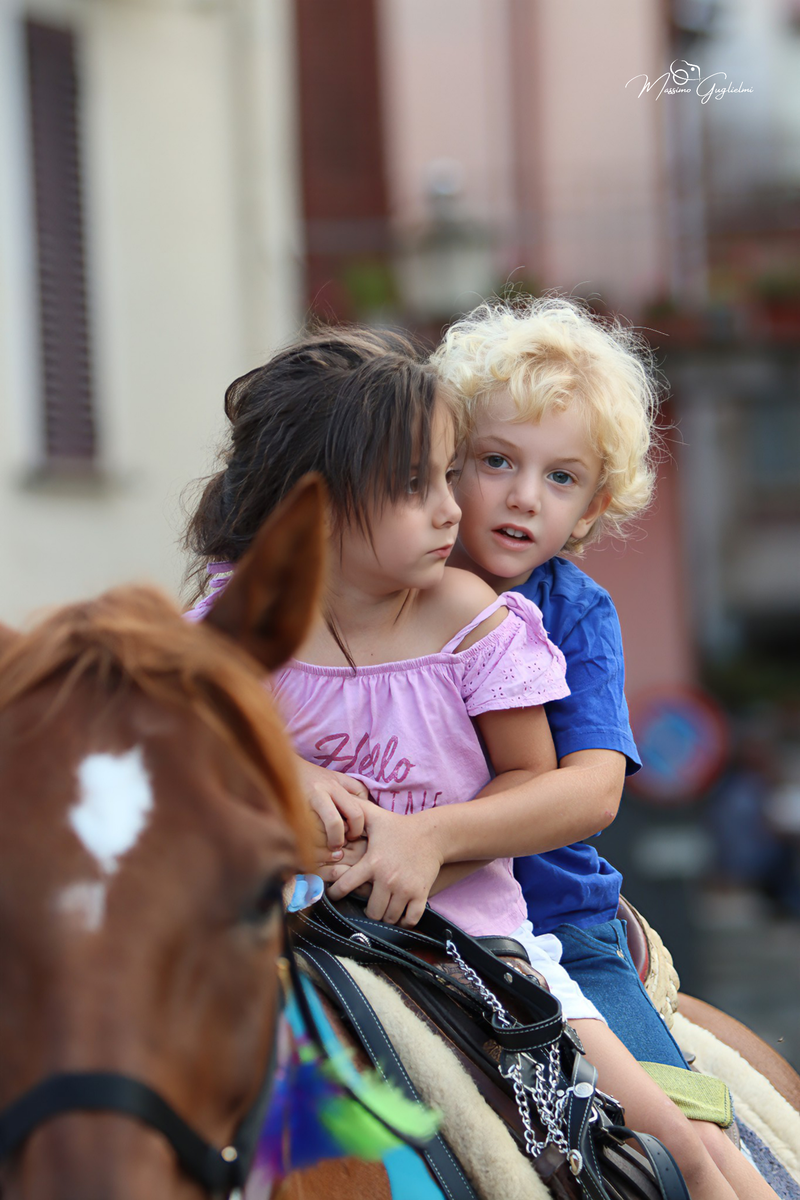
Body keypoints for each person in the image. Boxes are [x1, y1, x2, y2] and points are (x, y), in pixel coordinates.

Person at [185, 325, 777, 1200]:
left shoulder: (532, 614)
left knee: (680, 1140)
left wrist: (423, 839)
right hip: (329, 913)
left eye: (561, 477)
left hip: (542, 917)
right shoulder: (351, 578)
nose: (514, 500)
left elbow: (587, 788)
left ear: (595, 503)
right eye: (491, 461)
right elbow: (192, 722)